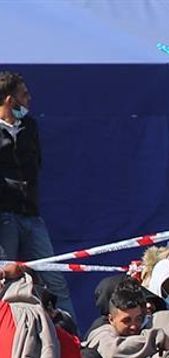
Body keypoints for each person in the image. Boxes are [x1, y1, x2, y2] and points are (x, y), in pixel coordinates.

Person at [0, 71, 76, 322]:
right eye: (24, 94)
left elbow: (36, 163)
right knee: (5, 283)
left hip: (32, 216)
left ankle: (73, 339)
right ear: (10, 100)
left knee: (54, 280)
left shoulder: (29, 126)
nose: (29, 99)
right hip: (4, 218)